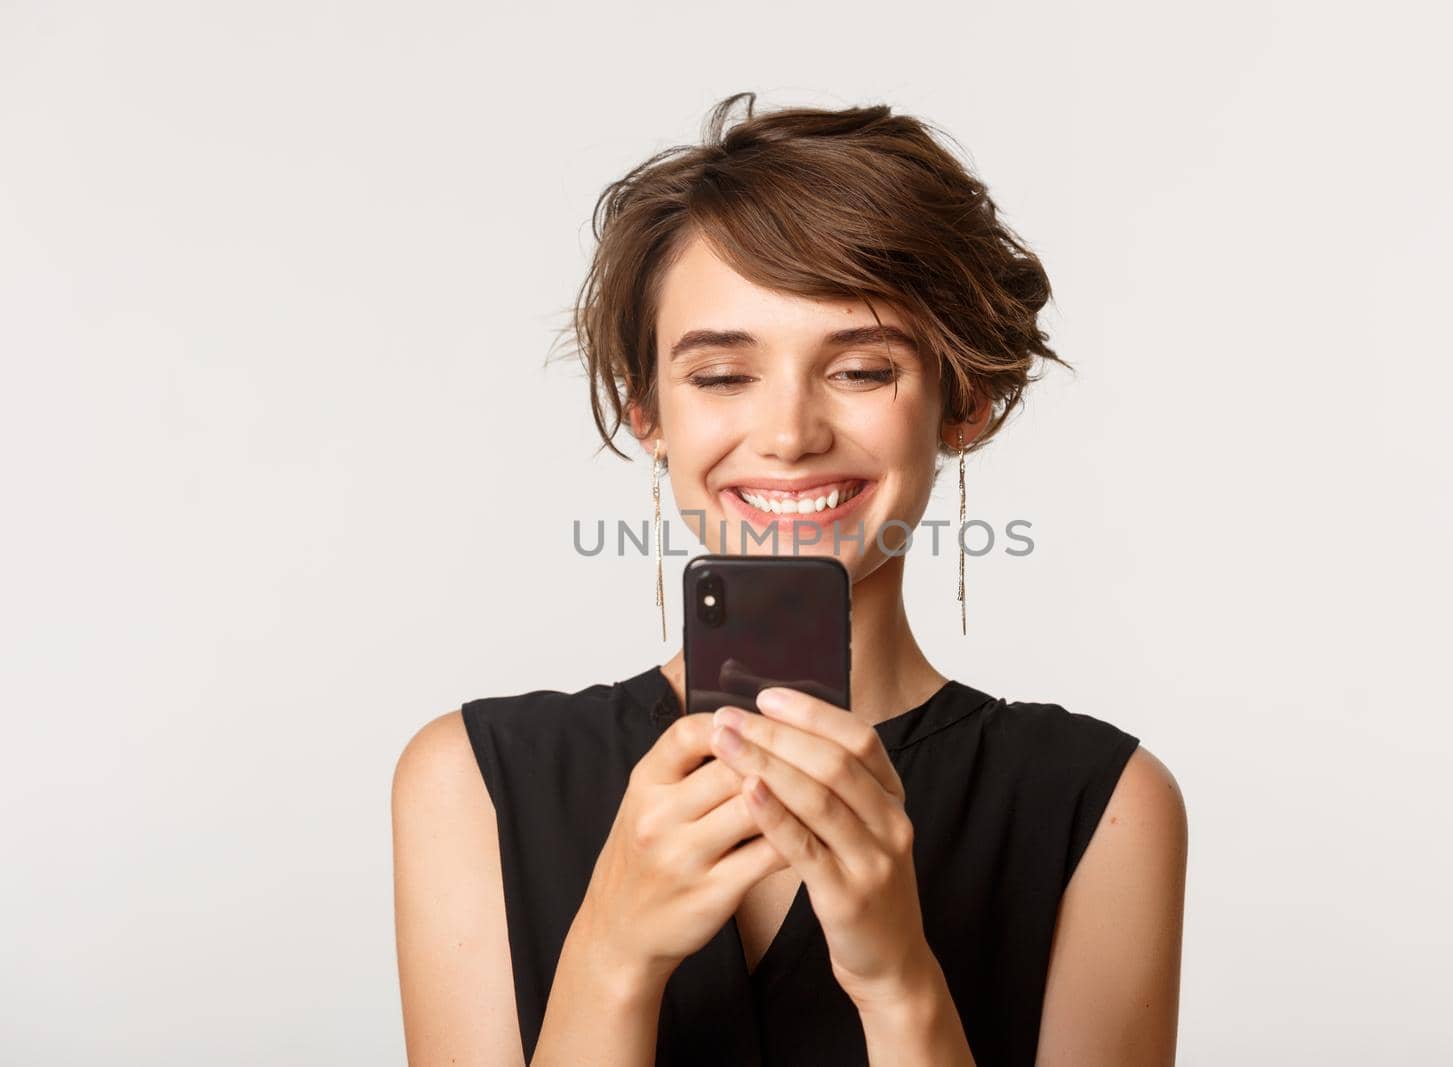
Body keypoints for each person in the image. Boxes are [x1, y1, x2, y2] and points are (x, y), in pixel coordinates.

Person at [392, 92, 1187, 1066]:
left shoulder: (1102, 803)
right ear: (648, 413)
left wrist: (897, 981)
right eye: (721, 375)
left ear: (963, 399)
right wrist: (611, 955)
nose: (788, 436)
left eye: (859, 370)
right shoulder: (471, 780)